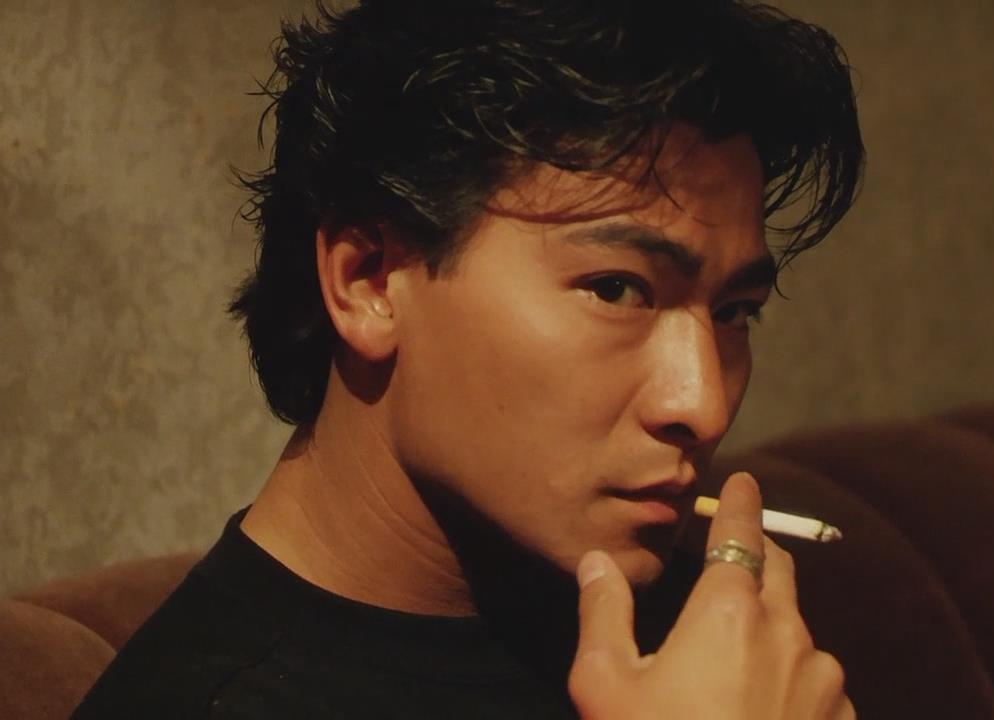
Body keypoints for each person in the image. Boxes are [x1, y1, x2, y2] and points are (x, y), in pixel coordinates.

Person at [73, 0, 864, 717]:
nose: (704, 404)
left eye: (734, 312)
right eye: (616, 289)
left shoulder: (715, 644)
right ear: (369, 281)